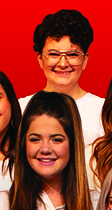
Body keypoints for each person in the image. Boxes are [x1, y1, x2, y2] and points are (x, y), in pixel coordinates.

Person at [0, 92, 95, 210]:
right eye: (35, 139)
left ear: (73, 144)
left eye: (56, 139)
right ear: (23, 144)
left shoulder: (97, 207)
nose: (45, 149)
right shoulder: (2, 207)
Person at [21, 9, 105, 149]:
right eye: (54, 54)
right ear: (40, 59)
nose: (63, 64)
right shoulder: (22, 109)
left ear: (85, 60)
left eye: (72, 54)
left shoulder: (103, 111)